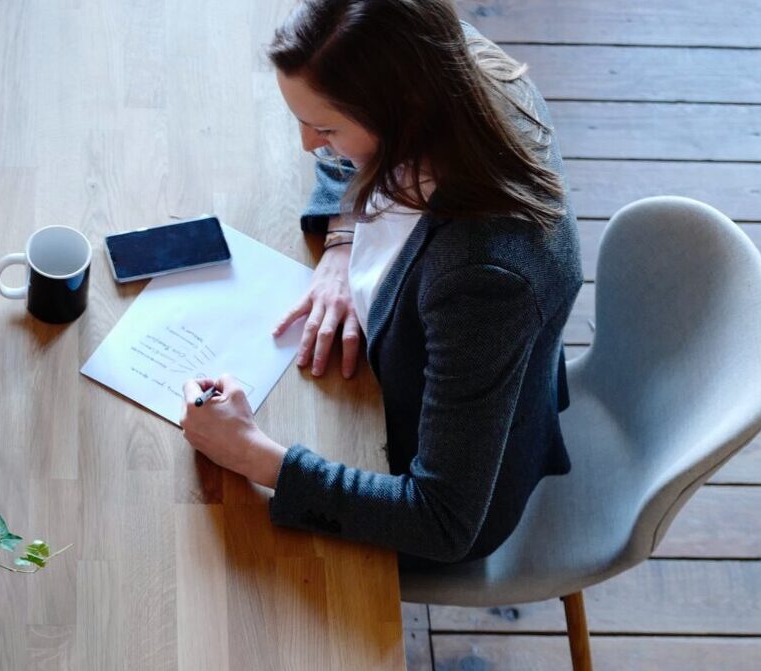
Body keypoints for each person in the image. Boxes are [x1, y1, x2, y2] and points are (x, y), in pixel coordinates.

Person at [178, 0, 582, 568]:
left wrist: (254, 455)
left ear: (403, 112)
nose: (307, 144)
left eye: (325, 128)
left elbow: (442, 519)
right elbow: (349, 157)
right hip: (422, 382)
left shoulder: (484, 280)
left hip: (440, 490)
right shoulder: (441, 63)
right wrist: (342, 242)